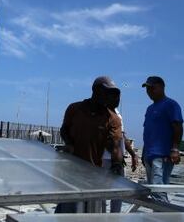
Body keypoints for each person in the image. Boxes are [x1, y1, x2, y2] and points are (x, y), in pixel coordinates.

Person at [56, 76, 123, 213]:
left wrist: (117, 164)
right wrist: (69, 144)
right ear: (96, 90)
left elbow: (115, 146)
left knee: (89, 212)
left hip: (93, 174)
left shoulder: (113, 119)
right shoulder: (74, 109)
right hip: (71, 171)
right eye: (108, 92)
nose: (111, 97)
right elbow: (64, 129)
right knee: (69, 211)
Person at [142, 76, 183, 203]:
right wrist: (144, 153)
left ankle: (165, 217)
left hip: (162, 155)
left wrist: (175, 149)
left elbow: (177, 126)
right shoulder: (150, 108)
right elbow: (148, 132)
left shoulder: (171, 104)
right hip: (149, 155)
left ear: (161, 87)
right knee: (153, 190)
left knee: (159, 190)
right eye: (147, 89)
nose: (149, 91)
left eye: (152, 88)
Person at [102, 108, 138, 213]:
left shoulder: (118, 114)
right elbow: (105, 138)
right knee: (102, 191)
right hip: (105, 159)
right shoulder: (103, 113)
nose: (117, 100)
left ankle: (115, 217)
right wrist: (116, 156)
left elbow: (122, 136)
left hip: (117, 159)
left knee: (119, 191)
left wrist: (132, 154)